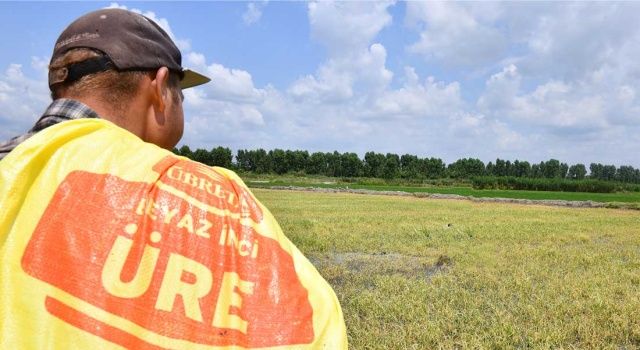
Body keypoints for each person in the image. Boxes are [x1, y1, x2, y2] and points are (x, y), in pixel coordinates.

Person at [0, 8, 347, 349]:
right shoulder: (222, 201)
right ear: (160, 87)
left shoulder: (11, 165)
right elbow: (314, 325)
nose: (180, 102)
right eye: (181, 92)